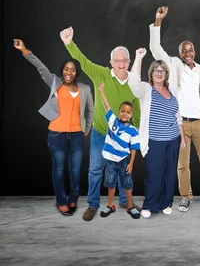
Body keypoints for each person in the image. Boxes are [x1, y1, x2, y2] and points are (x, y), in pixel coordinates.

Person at [150, 6, 200, 216]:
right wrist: (158, 22)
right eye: (184, 50)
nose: (187, 53)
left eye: (190, 50)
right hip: (180, 123)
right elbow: (156, 49)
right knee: (182, 165)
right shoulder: (174, 65)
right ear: (179, 53)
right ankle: (186, 197)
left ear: (194, 52)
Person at [60, 26, 141, 221]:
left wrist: (135, 128)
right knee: (96, 170)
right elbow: (83, 62)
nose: (121, 63)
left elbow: (137, 106)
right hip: (101, 133)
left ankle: (124, 200)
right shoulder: (101, 74)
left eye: (124, 60)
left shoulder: (135, 82)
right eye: (117, 60)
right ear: (111, 62)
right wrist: (69, 43)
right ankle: (93, 205)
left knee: (123, 170)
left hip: (122, 136)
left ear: (129, 62)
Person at [14, 39, 93, 216]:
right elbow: (41, 68)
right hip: (56, 134)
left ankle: (73, 199)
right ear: (62, 71)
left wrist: (87, 128)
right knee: (58, 170)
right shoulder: (55, 84)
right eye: (66, 69)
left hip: (77, 136)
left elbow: (90, 110)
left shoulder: (85, 89)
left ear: (76, 72)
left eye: (72, 70)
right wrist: (25, 50)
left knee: (75, 171)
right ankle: (61, 201)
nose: (69, 73)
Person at [128, 48, 186, 219]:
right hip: (155, 141)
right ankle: (150, 205)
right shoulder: (146, 91)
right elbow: (132, 83)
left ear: (166, 74)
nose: (159, 73)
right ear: (151, 73)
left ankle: (166, 203)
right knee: (155, 174)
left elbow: (178, 116)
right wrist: (138, 57)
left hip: (173, 140)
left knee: (169, 174)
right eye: (156, 70)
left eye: (162, 71)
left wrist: (182, 137)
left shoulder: (172, 92)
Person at [97, 83, 141, 219]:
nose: (124, 114)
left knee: (127, 185)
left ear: (131, 114)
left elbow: (134, 148)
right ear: (119, 111)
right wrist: (101, 91)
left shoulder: (133, 130)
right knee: (111, 185)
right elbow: (106, 106)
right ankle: (110, 205)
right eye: (122, 111)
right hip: (111, 161)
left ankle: (130, 206)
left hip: (124, 161)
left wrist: (131, 163)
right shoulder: (113, 121)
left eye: (128, 112)